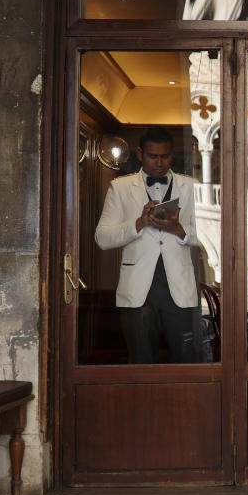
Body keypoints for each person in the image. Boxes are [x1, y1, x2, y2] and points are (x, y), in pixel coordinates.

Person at [95, 126, 201, 363]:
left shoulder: (190, 186)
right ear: (140, 154)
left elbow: (211, 235)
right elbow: (102, 237)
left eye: (165, 156)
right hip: (138, 288)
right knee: (141, 360)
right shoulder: (120, 188)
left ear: (172, 155)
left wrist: (178, 230)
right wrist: (139, 223)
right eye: (153, 156)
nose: (160, 163)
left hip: (179, 288)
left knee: (187, 360)